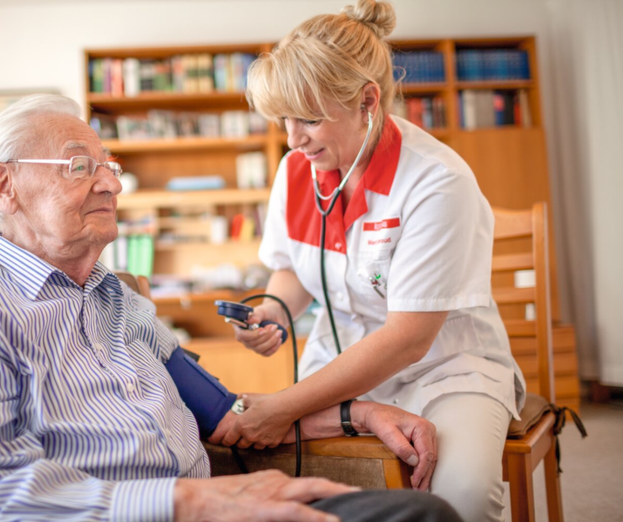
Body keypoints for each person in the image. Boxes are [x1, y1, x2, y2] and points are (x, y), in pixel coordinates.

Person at [0, 93, 460, 522]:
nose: (111, 183)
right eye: (80, 166)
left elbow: (226, 415)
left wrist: (356, 415)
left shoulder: (118, 300)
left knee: (420, 515)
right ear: (3, 187)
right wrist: (187, 502)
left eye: (108, 165)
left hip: (210, 508)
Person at [220, 2, 526, 521]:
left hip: (443, 370)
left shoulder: (435, 182)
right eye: (285, 119)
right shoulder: (298, 170)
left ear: (367, 101)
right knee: (285, 483)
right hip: (336, 366)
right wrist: (273, 315)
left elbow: (408, 338)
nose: (293, 140)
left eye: (310, 119)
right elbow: (292, 269)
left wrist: (287, 404)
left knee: (463, 495)